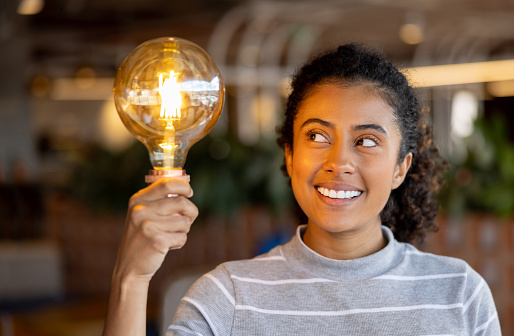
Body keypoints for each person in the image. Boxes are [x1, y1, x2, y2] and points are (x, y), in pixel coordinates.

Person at [103, 43, 501, 335]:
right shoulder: (228, 298)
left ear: (401, 168)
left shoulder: (459, 293)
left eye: (366, 141)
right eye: (317, 136)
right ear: (290, 156)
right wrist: (131, 278)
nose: (339, 163)